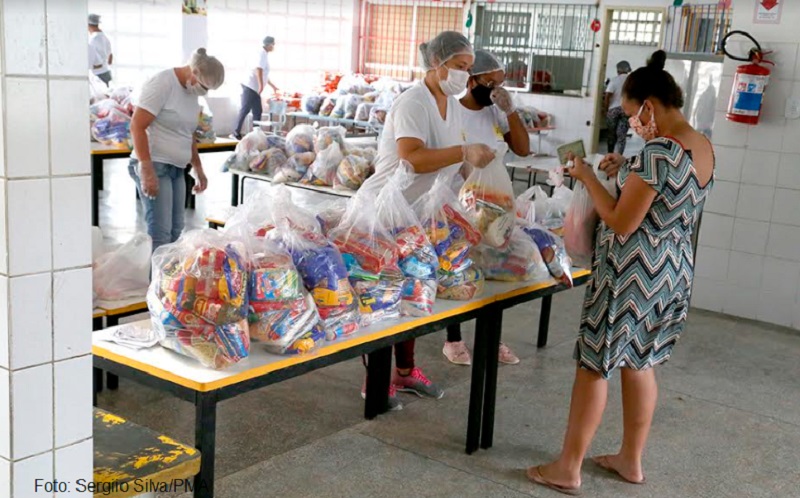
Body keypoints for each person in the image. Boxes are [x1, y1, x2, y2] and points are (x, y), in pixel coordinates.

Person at [527, 50, 714, 495]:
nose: (632, 124)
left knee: (594, 365)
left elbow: (621, 220)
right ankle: (631, 460)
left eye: (632, 114)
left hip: (631, 275)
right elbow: (668, 192)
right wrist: (626, 168)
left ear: (649, 104)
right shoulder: (701, 145)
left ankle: (567, 468)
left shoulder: (658, 150)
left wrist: (588, 177)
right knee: (639, 361)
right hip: (671, 271)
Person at [361, 31, 495, 411]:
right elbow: (413, 158)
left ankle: (405, 371)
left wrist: (475, 178)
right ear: (437, 64)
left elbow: (452, 158)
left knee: (416, 294)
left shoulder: (450, 104)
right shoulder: (413, 102)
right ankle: (375, 383)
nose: (464, 76)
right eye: (459, 67)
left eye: (468, 70)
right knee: (385, 295)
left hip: (422, 214)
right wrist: (464, 150)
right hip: (389, 210)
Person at [442, 49, 529, 367]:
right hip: (455, 202)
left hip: (494, 206)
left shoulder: (498, 111)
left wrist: (511, 110)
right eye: (491, 83)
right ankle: (453, 339)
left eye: (501, 84)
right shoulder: (452, 111)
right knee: (457, 269)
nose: (497, 91)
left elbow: (522, 148)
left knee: (493, 269)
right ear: (472, 79)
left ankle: (493, 338)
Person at [129, 48, 225, 252]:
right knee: (160, 232)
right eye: (204, 87)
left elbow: (187, 133)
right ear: (195, 72)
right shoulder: (163, 83)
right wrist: (146, 168)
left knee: (175, 230)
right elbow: (137, 125)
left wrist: (197, 168)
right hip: (155, 164)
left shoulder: (191, 91)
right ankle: (155, 283)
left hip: (177, 167)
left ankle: (167, 280)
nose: (204, 93)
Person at [234, 36, 278, 139]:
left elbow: (264, 75)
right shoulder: (262, 53)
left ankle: (256, 134)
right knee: (245, 109)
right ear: (269, 44)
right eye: (273, 44)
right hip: (250, 86)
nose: (274, 46)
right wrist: (261, 85)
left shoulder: (264, 54)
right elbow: (258, 69)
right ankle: (235, 132)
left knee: (258, 111)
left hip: (254, 87)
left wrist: (273, 86)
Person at [604, 60, 631, 154]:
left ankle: (610, 154)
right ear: (628, 69)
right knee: (621, 136)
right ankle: (618, 156)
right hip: (626, 110)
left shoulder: (614, 80)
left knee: (611, 135)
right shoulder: (632, 81)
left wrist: (606, 109)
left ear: (618, 70)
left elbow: (607, 95)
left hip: (613, 110)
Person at [88, 14, 113, 86]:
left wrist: (89, 67)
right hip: (106, 73)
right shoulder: (104, 37)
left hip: (99, 76)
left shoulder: (94, 40)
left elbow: (98, 63)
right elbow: (110, 58)